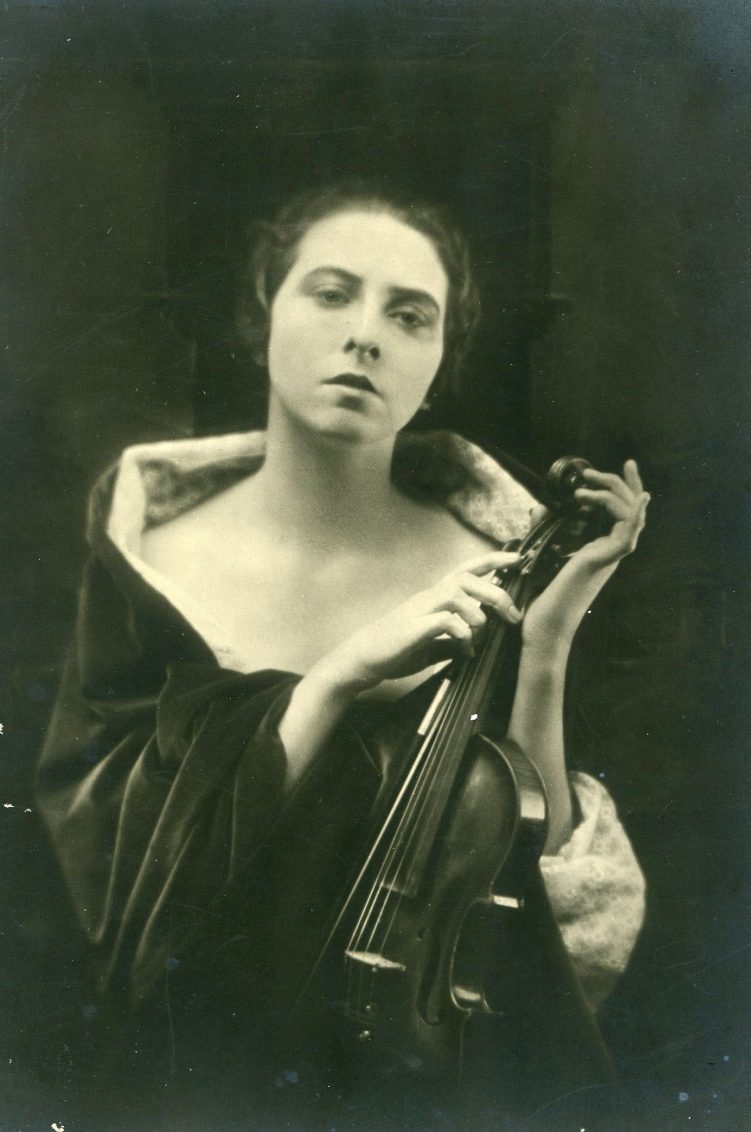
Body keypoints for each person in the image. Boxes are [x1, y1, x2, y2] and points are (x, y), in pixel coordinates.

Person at [38, 183, 648, 1130]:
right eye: (331, 294)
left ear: (437, 364)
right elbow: (109, 869)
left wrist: (547, 641)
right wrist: (337, 677)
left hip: (424, 1076)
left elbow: (540, 891)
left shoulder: (497, 560)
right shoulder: (149, 558)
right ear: (263, 318)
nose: (365, 336)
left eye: (410, 316)